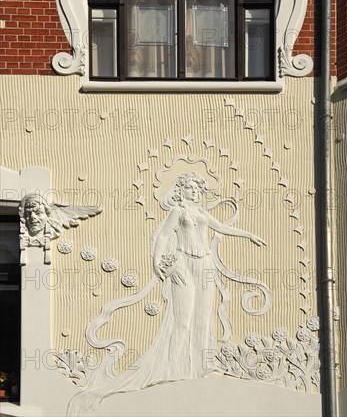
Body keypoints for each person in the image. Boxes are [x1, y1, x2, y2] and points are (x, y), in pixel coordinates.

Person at [68, 172, 269, 416]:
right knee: (183, 320)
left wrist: (248, 235)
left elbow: (222, 227)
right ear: (180, 190)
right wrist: (157, 262)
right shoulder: (178, 212)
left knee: (204, 319)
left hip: (205, 264)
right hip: (184, 263)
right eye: (190, 188)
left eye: (197, 189)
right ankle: (175, 367)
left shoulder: (202, 213)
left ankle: (205, 365)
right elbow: (163, 235)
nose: (194, 192)